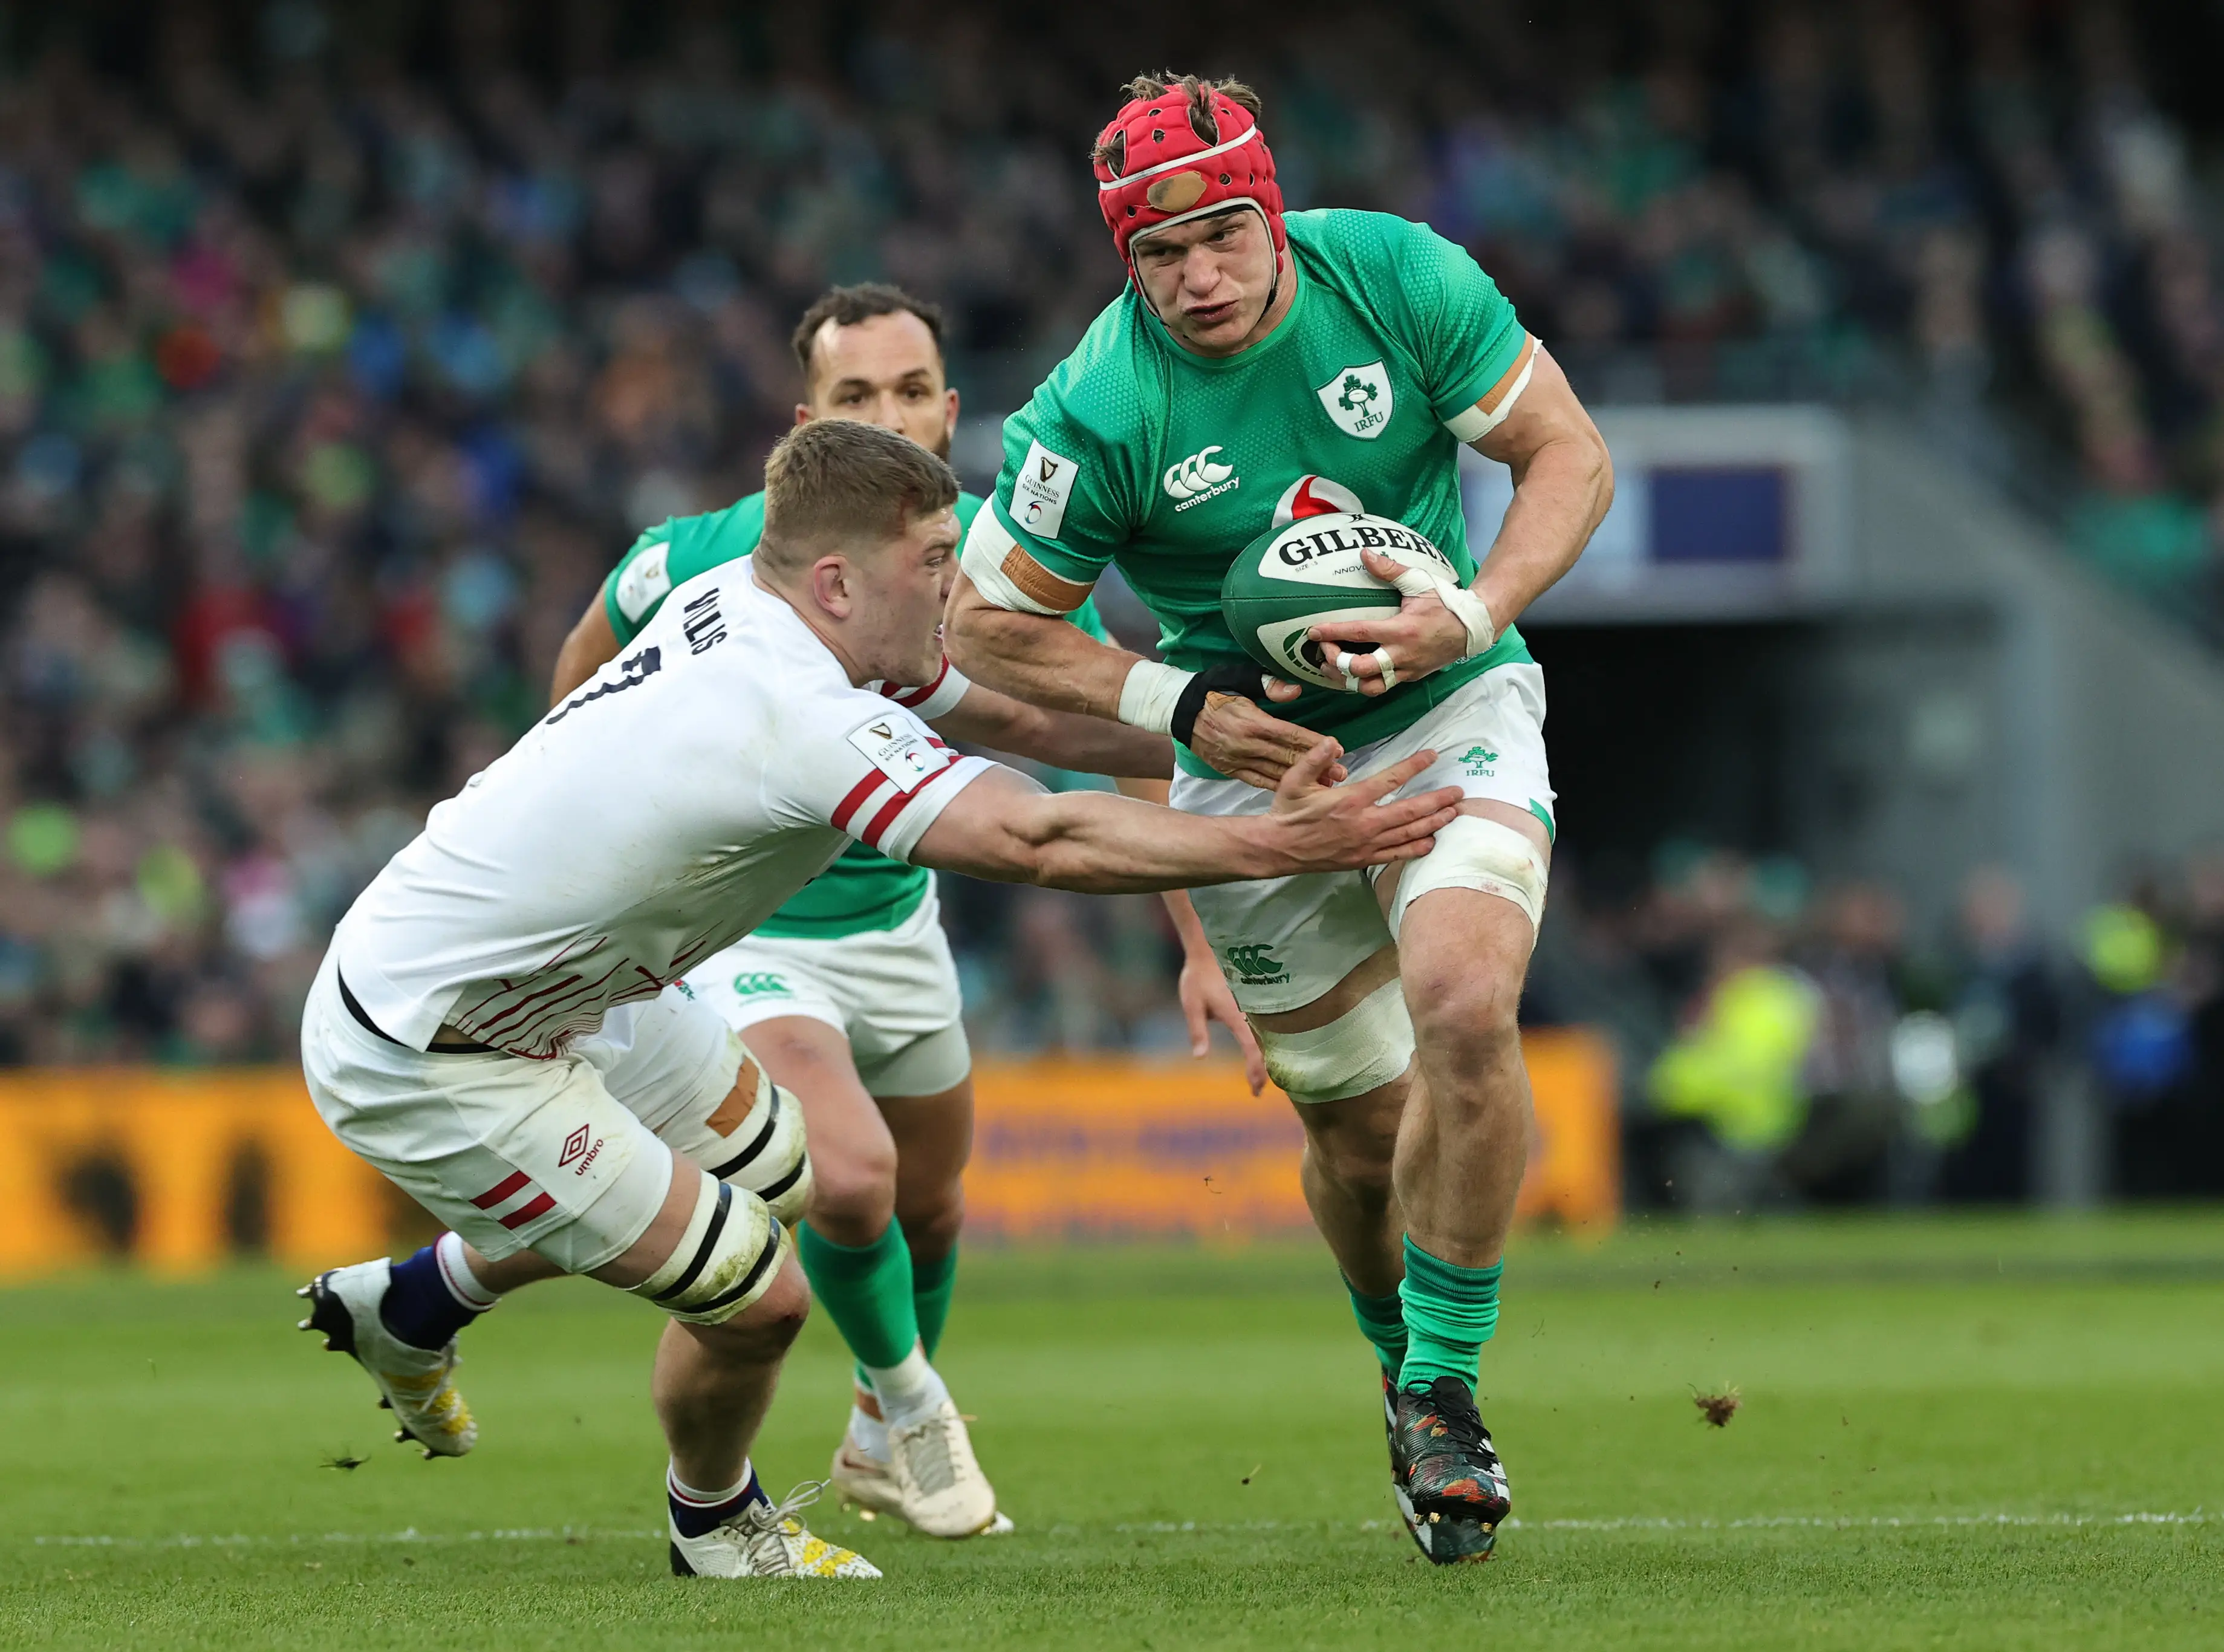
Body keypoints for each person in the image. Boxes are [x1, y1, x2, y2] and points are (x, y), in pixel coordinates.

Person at [298, 418, 1458, 1581]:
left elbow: (1018, 722)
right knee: (756, 1295)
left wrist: (1219, 737)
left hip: (574, 993)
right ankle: (714, 1526)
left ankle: (412, 1306)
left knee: (783, 1173)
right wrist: (1278, 847)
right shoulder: (793, 708)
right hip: (433, 1042)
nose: (955, 584)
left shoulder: (771, 613)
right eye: (937, 560)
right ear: (841, 581)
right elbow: (1035, 835)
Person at [944, 73, 1613, 1564]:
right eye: (1159, 256)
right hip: (1252, 770)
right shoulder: (1101, 401)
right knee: (1362, 1142)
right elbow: (984, 623)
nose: (1197, 278)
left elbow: (1569, 452)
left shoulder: (1398, 274)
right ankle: (1401, 1361)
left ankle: (1444, 1388)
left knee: (1460, 1000)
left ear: (1272, 207)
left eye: (1224, 236)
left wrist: (1476, 607)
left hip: (1450, 702)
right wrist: (1178, 708)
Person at [541, 281, 1260, 1536]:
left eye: (913, 388)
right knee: (854, 1180)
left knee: (928, 1202)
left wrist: (1196, 937)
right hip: (746, 939)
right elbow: (578, 680)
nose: (893, 412)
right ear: (806, 419)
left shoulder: (1004, 571)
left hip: (902, 932)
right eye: (859, 394)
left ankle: (877, 1439)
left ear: (951, 407)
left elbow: (1106, 723)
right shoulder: (698, 555)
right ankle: (914, 1404)